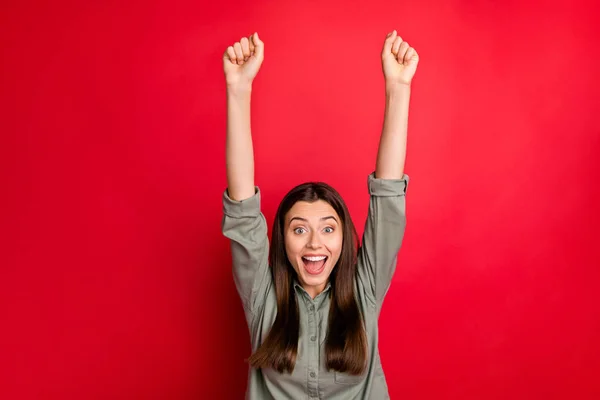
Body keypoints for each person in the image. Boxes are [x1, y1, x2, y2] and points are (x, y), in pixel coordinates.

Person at [221, 29, 418, 400]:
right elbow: (243, 211)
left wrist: (398, 88)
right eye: (299, 230)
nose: (315, 243)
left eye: (328, 228)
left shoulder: (365, 292)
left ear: (344, 238)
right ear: (281, 239)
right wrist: (238, 88)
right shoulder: (263, 298)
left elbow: (388, 196)